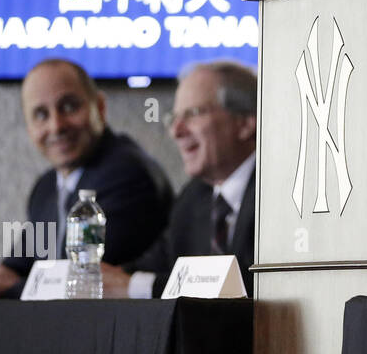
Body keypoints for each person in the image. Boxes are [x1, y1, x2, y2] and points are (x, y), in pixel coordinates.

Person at [0, 58, 173, 298]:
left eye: (69, 107)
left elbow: (81, 281)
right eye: (41, 114)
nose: (56, 125)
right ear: (28, 126)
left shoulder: (127, 174)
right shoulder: (46, 187)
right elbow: (17, 266)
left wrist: (8, 287)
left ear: (100, 108)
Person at [101, 61, 257, 298]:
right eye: (173, 118)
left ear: (245, 123)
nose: (176, 131)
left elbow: (251, 287)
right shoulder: (194, 197)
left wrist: (137, 287)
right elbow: (149, 268)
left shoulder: (280, 192)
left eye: (193, 114)